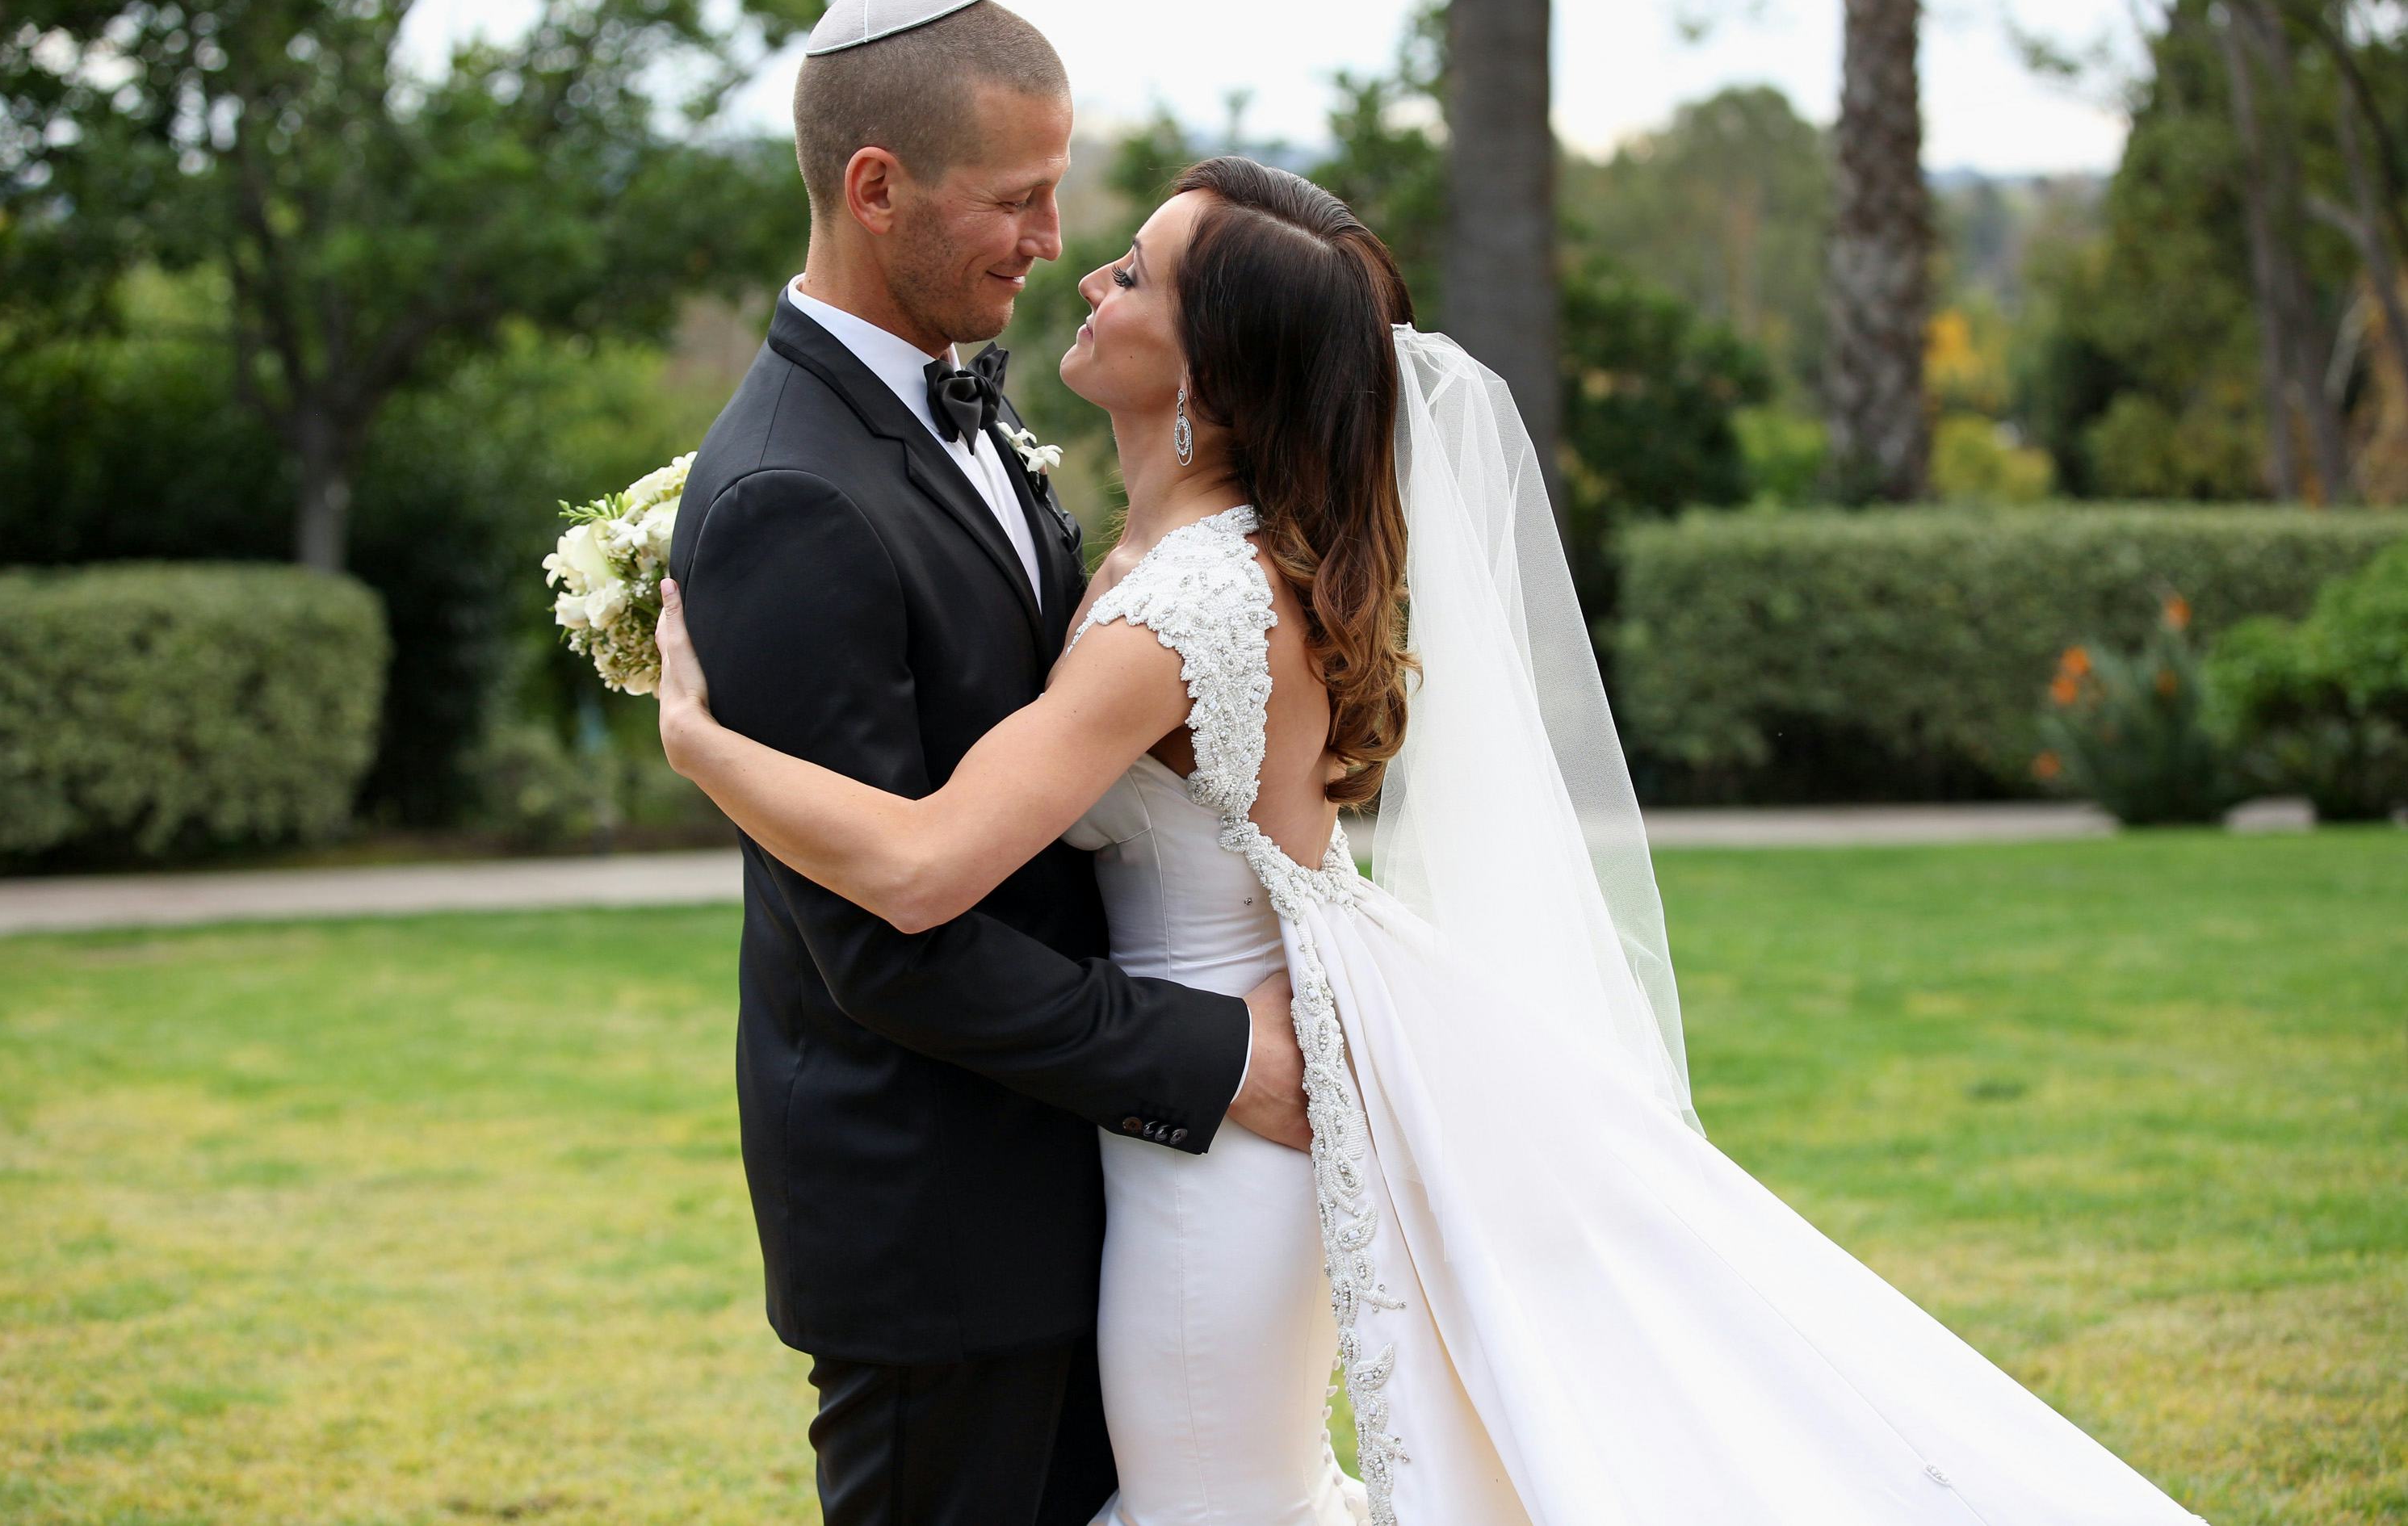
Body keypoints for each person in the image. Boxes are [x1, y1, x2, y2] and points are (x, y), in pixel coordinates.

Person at [658, 137, 2218, 1520]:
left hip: (1222, 1144)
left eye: (1136, 270)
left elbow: (928, 865)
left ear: (1208, 370)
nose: (1090, 270)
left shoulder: (1190, 604)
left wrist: (701, 741)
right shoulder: (1176, 553)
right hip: (1199, 1099)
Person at [666, 0, 1310, 1526]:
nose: (1052, 240)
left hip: (1092, 1186)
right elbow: (888, 947)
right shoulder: (791, 495)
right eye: (1019, 199)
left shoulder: (956, 415)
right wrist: (1223, 1059)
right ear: (876, 190)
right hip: (938, 1230)